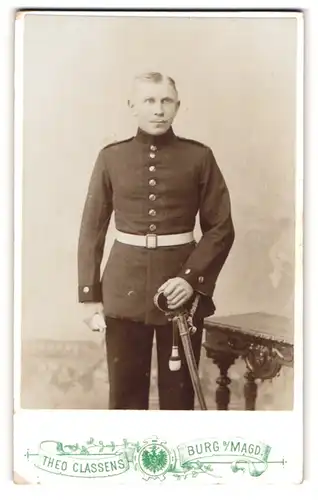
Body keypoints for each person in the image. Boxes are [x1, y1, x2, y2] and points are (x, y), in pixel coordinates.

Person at [77, 72, 235, 410]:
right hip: (123, 288)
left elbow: (221, 227)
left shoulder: (199, 157)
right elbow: (92, 229)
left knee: (179, 397)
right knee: (125, 397)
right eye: (149, 101)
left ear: (177, 105)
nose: (158, 110)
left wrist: (190, 280)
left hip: (180, 291)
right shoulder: (111, 158)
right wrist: (89, 296)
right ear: (132, 106)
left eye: (166, 101)